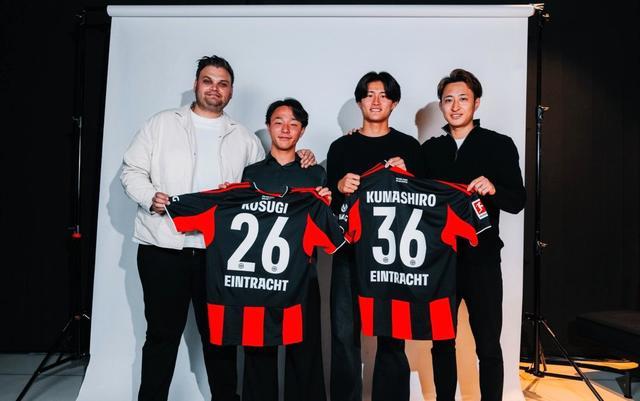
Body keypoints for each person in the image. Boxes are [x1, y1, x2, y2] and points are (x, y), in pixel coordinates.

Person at [120, 55, 314, 401]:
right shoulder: (161, 124)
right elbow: (131, 170)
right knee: (162, 336)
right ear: (196, 84)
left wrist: (302, 161)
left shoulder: (245, 139)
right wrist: (151, 197)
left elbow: (266, 190)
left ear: (231, 91)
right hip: (162, 247)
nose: (215, 88)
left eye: (223, 84)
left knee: (221, 338)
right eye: (208, 81)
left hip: (220, 257)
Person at [421, 69, 526, 401]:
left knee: (488, 345)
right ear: (441, 105)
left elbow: (517, 201)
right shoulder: (430, 150)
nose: (455, 106)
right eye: (448, 100)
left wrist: (493, 188)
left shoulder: (499, 145)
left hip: (482, 259)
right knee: (441, 342)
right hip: (440, 261)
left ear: (476, 103)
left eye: (463, 99)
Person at [326, 71, 421, 401]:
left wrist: (409, 176)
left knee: (392, 336)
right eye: (369, 94)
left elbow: (425, 201)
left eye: (384, 95)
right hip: (349, 252)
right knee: (343, 333)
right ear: (359, 102)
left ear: (394, 103)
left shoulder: (409, 147)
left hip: (392, 256)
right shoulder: (341, 147)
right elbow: (327, 204)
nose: (376, 101)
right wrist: (338, 187)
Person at [240, 98, 330, 401]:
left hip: (303, 276)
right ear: (268, 126)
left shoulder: (315, 174)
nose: (285, 129)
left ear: (302, 131)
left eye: (294, 123)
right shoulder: (250, 174)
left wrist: (326, 205)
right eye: (278, 122)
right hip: (259, 278)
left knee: (304, 353)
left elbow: (327, 230)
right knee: (258, 352)